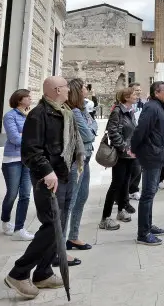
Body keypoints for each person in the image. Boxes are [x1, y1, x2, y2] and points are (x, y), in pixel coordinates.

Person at [4, 76, 83, 299]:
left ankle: (43, 272)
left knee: (59, 227)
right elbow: (30, 151)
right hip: (48, 179)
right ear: (57, 90)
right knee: (51, 226)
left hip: (64, 175)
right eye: (66, 87)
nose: (69, 90)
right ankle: (19, 273)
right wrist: (47, 171)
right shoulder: (39, 114)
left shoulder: (63, 111)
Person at [131, 81, 164, 246]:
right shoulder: (151, 107)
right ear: (156, 92)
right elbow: (140, 130)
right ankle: (143, 233)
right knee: (148, 194)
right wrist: (134, 149)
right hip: (152, 156)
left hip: (157, 155)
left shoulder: (160, 106)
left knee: (151, 192)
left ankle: (148, 226)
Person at [65, 78, 97, 252]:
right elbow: (88, 135)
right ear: (78, 90)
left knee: (82, 197)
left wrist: (91, 128)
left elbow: (93, 129)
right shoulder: (75, 112)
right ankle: (61, 245)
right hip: (77, 159)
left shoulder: (82, 109)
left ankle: (73, 236)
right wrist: (91, 129)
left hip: (86, 158)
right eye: (85, 87)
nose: (88, 89)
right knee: (71, 200)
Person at [101, 87, 138, 230]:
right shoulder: (117, 111)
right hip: (122, 154)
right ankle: (105, 218)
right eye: (134, 94)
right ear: (126, 97)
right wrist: (123, 147)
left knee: (126, 182)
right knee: (116, 184)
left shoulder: (130, 111)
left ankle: (121, 210)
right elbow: (113, 131)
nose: (136, 96)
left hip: (130, 154)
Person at [1, 89, 35, 241]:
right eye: (27, 96)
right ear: (19, 99)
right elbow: (15, 138)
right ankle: (6, 220)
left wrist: (27, 135)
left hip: (27, 159)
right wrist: (29, 136)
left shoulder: (30, 115)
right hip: (12, 159)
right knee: (12, 194)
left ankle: (19, 228)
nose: (30, 98)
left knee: (26, 194)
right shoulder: (10, 116)